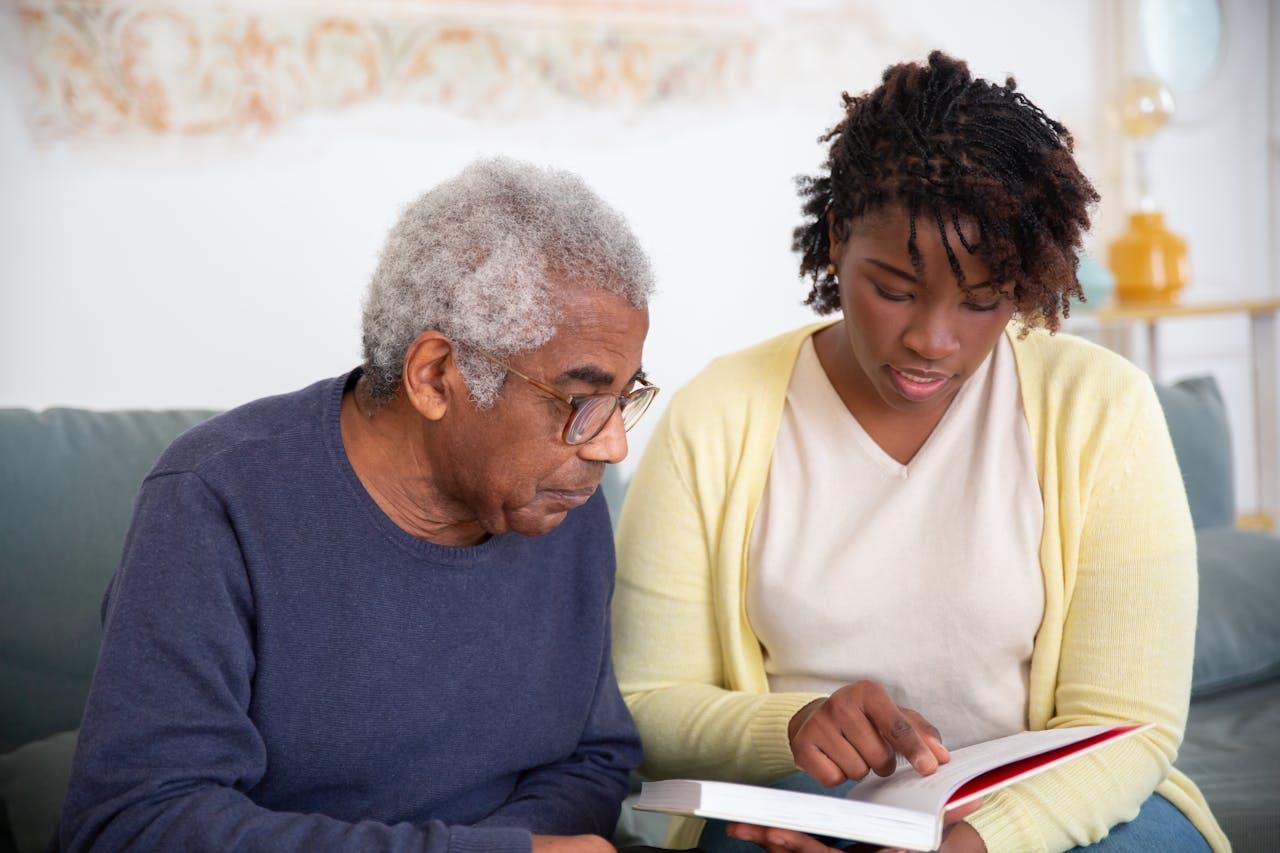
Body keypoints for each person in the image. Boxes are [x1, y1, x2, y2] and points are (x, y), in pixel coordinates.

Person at [611, 52, 1228, 853]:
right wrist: (790, 725)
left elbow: (1127, 729)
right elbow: (646, 702)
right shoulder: (715, 417)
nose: (933, 341)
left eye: (982, 301)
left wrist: (973, 842)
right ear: (836, 239)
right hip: (813, 804)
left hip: (1046, 809)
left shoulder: (1101, 409)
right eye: (895, 289)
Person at [58, 157, 660, 853]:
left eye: (624, 396)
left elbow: (591, 757)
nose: (611, 444)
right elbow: (136, 821)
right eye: (584, 400)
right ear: (437, 375)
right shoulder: (216, 499)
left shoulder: (560, 497)